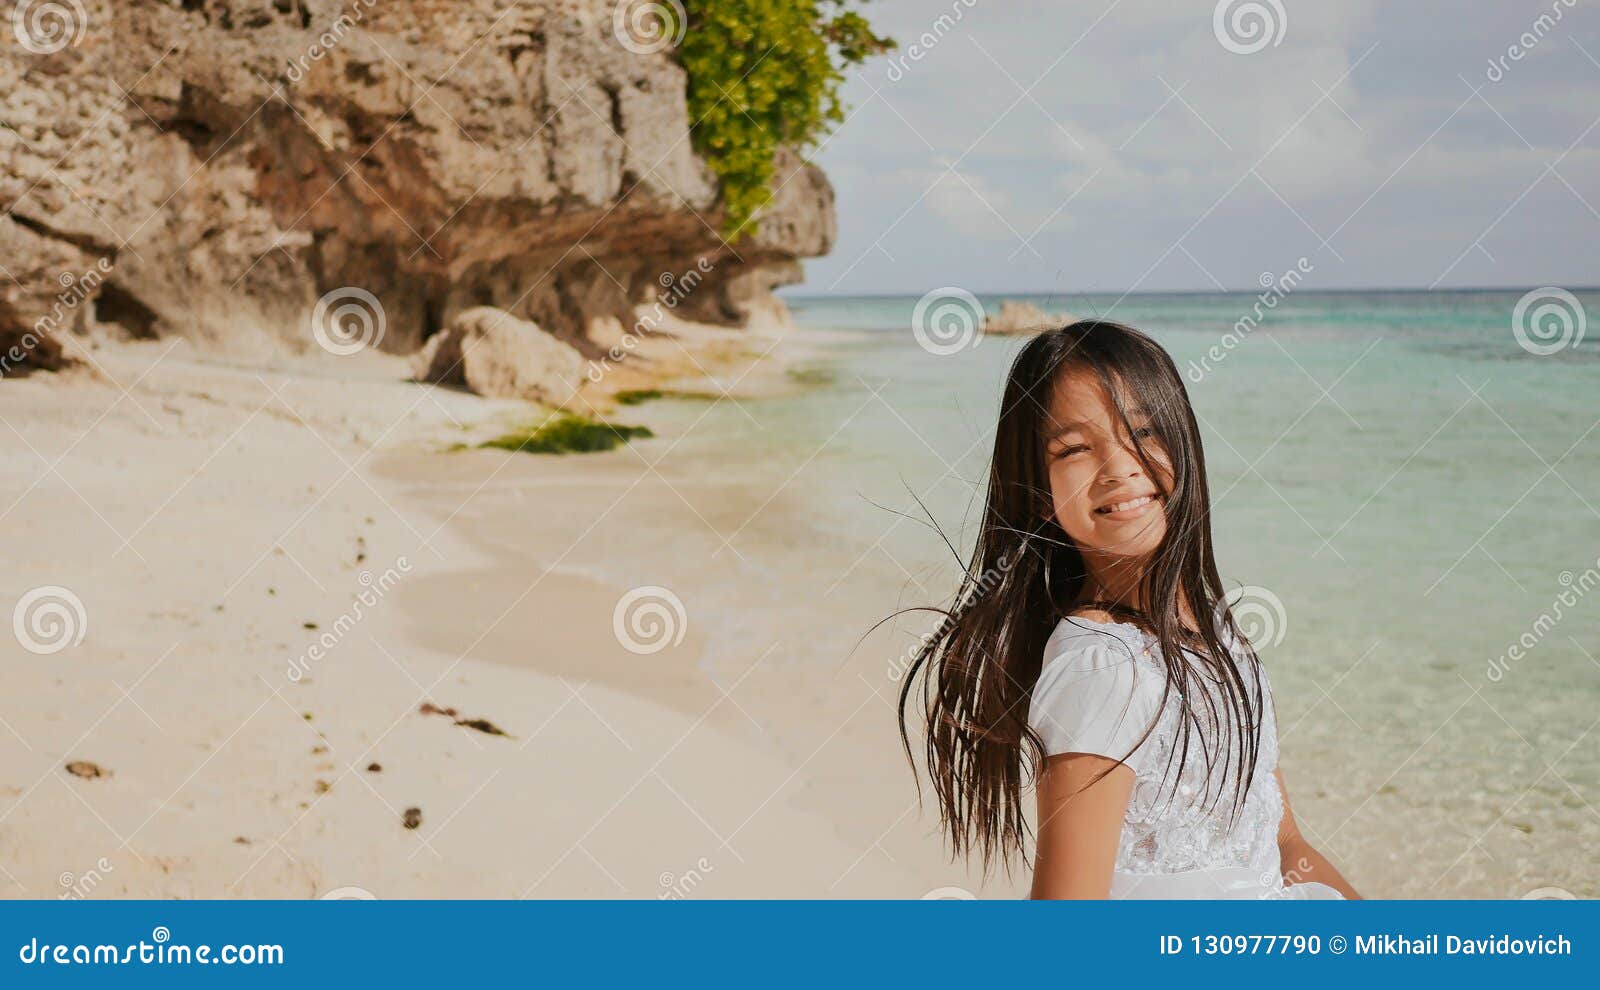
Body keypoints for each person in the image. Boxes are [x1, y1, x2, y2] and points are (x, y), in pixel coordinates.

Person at [897, 320, 1358, 899]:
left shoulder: (1215, 629)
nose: (1119, 467)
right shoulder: (1102, 667)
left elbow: (1285, 844)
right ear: (1039, 493)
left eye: (1142, 430)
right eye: (1074, 449)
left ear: (1183, 443)